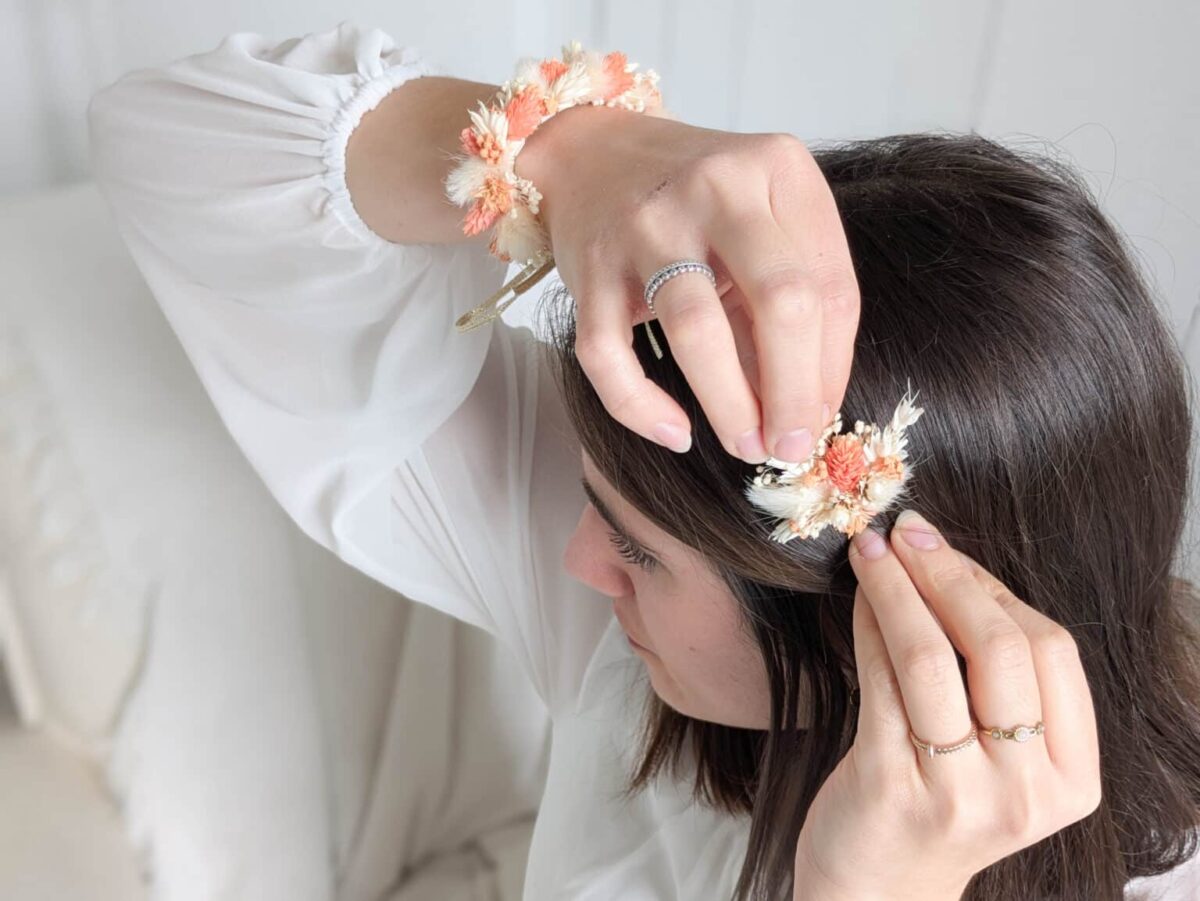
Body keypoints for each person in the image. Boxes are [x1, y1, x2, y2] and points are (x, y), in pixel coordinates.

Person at [86, 20, 1200, 901]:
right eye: (598, 508)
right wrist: (568, 156)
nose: (578, 563)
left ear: (875, 618)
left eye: (637, 550)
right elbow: (170, 144)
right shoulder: (658, 664)